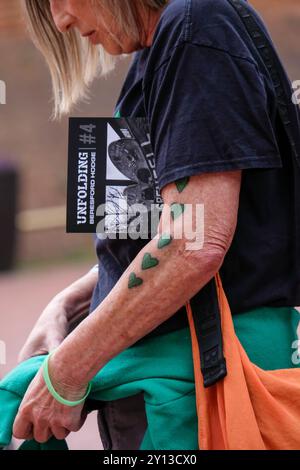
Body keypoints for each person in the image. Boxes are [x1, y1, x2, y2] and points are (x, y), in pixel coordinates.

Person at [13, 0, 300, 450]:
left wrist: (66, 371)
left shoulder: (193, 28)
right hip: (181, 386)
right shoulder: (169, 42)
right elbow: (161, 232)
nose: (60, 20)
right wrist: (68, 305)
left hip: (204, 389)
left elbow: (193, 243)